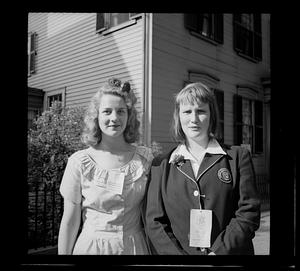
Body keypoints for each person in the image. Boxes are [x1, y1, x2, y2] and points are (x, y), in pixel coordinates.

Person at [144, 82, 261, 255]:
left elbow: (248, 212)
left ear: (212, 115)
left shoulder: (238, 157)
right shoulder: (160, 165)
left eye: (201, 111)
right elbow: (154, 221)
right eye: (187, 111)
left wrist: (219, 252)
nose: (194, 119)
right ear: (179, 117)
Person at [58, 78, 154, 255]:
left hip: (135, 249)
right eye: (107, 111)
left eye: (121, 111)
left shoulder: (145, 159)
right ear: (97, 116)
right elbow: (70, 221)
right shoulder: (79, 162)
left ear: (129, 115)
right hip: (92, 249)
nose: (114, 118)